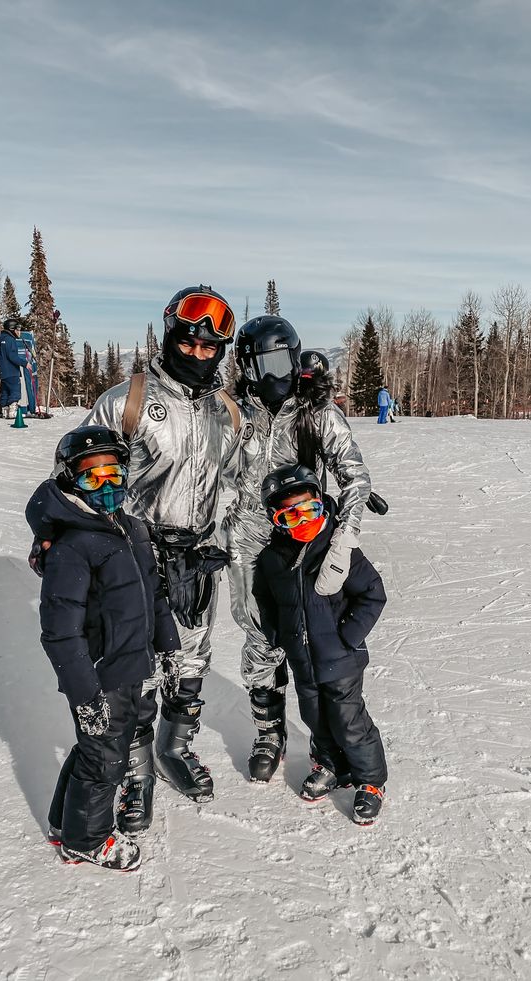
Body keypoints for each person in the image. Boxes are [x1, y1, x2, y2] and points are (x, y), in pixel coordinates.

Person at [29, 285, 244, 833]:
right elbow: (76, 477)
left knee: (190, 660)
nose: (198, 354)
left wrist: (229, 541)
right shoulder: (127, 402)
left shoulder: (226, 411)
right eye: (189, 342)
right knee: (133, 672)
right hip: (133, 560)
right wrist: (52, 538)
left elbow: (234, 482)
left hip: (198, 559)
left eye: (209, 348)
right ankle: (135, 770)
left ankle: (177, 747)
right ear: (171, 334)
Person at [223, 319, 371, 782]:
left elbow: (355, 477)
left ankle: (331, 739)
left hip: (302, 542)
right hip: (249, 541)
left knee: (312, 637)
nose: (274, 375)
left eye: (282, 362)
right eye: (262, 365)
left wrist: (343, 539)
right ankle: (270, 730)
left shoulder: (316, 412)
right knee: (260, 634)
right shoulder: (232, 414)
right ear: (245, 367)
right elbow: (201, 476)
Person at [25, 426, 180, 869]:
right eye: (93, 477)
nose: (107, 485)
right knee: (104, 760)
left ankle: (63, 823)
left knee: (93, 751)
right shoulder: (72, 546)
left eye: (113, 473)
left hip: (132, 666)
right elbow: (60, 632)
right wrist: (84, 694)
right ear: (70, 480)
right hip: (99, 677)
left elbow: (154, 594)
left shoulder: (131, 528)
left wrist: (167, 647)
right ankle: (86, 841)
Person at [253, 463, 388, 826]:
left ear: (322, 504)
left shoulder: (338, 550)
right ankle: (331, 765)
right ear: (275, 520)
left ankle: (370, 781)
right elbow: (263, 597)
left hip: (341, 660)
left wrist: (349, 636)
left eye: (309, 511)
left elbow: (373, 594)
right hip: (302, 661)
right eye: (289, 517)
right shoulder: (271, 559)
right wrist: (279, 634)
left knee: (349, 721)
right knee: (315, 717)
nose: (302, 523)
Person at [0, 318, 28, 418]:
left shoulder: (2, 339)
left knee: (5, 391)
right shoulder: (10, 340)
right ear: (12, 329)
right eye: (17, 329)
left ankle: (4, 410)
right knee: (15, 390)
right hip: (11, 371)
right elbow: (12, 356)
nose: (19, 332)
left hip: (4, 372)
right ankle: (12, 411)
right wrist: (25, 363)